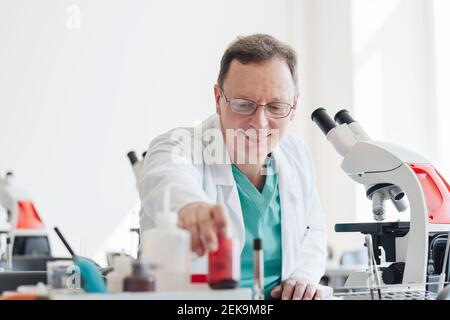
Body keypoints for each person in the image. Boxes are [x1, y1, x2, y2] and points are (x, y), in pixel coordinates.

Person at [139, 34, 327, 300]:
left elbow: (313, 229)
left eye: (276, 107)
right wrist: (191, 207)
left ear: (294, 106)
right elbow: (167, 179)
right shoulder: (179, 145)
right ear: (218, 99)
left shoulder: (296, 152)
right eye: (244, 105)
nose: (260, 123)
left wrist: (304, 277)